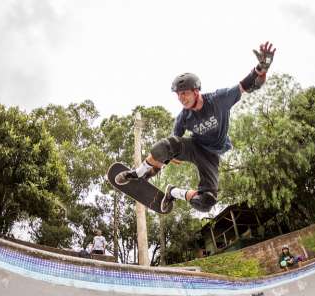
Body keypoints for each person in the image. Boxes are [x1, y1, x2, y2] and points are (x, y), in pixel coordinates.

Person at [115, 41, 276, 213]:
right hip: (195, 148)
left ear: (196, 91)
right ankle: (137, 173)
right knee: (164, 146)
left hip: (212, 155)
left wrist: (262, 68)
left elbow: (250, 84)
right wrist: (155, 167)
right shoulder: (183, 117)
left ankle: (172, 192)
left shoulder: (219, 100)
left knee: (206, 202)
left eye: (184, 93)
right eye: (178, 95)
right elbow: (168, 149)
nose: (181, 98)